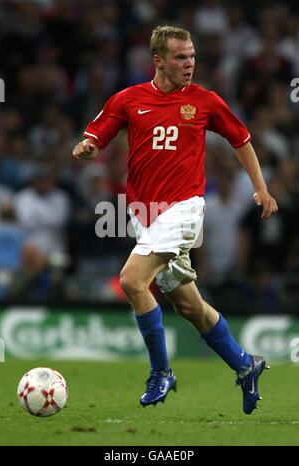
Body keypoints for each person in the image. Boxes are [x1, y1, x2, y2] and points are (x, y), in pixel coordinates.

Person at [73, 26, 278, 414]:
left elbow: (241, 139)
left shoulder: (204, 101)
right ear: (159, 61)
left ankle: (160, 372)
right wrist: (87, 147)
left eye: (192, 56)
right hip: (145, 217)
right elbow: (95, 136)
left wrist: (261, 188)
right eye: (181, 57)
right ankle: (245, 364)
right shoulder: (129, 99)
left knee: (132, 280)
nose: (189, 64)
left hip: (184, 209)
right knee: (189, 306)